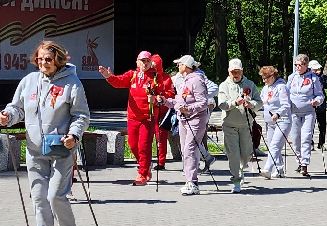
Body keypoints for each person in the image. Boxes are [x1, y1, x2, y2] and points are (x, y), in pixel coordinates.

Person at [0, 39, 89, 226]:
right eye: (39, 59)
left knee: (55, 195)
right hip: (34, 150)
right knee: (39, 197)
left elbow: (81, 115)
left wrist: (74, 135)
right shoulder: (29, 81)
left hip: (61, 149)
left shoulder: (72, 83)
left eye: (48, 59)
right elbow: (17, 108)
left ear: (58, 60)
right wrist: (8, 116)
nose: (43, 63)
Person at [98, 51, 173, 186]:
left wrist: (156, 99)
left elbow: (163, 95)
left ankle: (142, 173)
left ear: (151, 63)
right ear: (137, 62)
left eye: (147, 61)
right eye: (142, 61)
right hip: (133, 117)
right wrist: (108, 76)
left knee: (144, 146)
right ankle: (145, 166)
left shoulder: (156, 77)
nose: (145, 63)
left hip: (148, 117)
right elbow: (118, 82)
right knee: (133, 145)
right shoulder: (132, 75)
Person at [171, 54, 213, 195]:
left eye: (180, 64)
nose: (178, 66)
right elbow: (180, 100)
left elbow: (203, 102)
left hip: (196, 120)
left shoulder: (197, 80)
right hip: (184, 119)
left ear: (187, 66)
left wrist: (188, 109)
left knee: (189, 149)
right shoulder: (184, 79)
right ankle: (189, 181)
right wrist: (165, 101)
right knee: (185, 149)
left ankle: (193, 182)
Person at [217, 58, 258, 192]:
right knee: (233, 154)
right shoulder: (224, 85)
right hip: (229, 125)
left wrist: (251, 104)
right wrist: (234, 103)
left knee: (246, 154)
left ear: (242, 71)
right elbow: (221, 104)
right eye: (233, 72)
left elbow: (259, 102)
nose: (235, 74)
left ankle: (241, 168)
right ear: (229, 72)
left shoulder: (250, 84)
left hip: (246, 125)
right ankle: (236, 180)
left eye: (238, 71)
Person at [283, 54, 325, 177]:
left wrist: (317, 101)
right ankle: (299, 161)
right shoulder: (292, 77)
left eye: (300, 65)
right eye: (296, 65)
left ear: (306, 65)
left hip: (308, 112)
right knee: (295, 139)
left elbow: (320, 95)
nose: (297, 67)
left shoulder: (313, 78)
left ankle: (304, 164)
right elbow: (285, 93)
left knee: (306, 137)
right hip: (294, 112)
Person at [260, 64, 292, 179]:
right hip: (270, 122)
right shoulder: (265, 88)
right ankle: (279, 169)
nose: (264, 81)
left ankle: (267, 169)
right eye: (263, 78)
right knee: (272, 146)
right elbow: (262, 101)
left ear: (272, 76)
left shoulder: (281, 87)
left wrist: (278, 114)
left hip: (282, 120)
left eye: (266, 78)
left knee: (275, 145)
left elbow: (286, 105)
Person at [308, 59, 327, 149]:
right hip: (311, 105)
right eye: (315, 69)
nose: (317, 71)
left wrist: (321, 76)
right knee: (310, 125)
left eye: (318, 69)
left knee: (322, 125)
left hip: (321, 105)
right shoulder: (308, 78)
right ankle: (310, 142)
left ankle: (321, 143)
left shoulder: (321, 77)